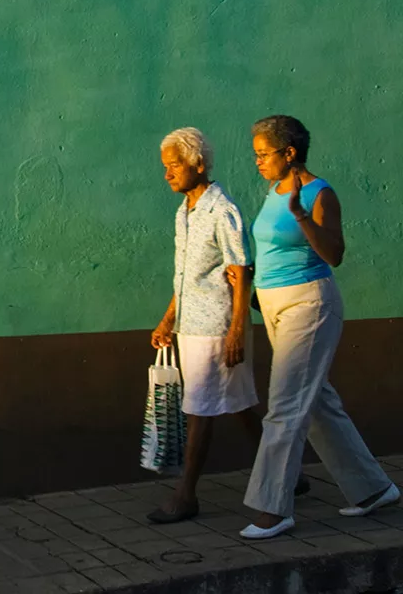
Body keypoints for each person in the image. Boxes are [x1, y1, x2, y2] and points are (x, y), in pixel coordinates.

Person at [239, 115, 400, 540]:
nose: (257, 161)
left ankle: (273, 509)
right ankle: (373, 490)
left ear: (288, 153)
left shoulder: (319, 193)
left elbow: (334, 253)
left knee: (286, 405)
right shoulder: (274, 190)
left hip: (309, 304)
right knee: (317, 402)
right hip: (274, 305)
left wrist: (302, 216)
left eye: (262, 154)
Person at [148, 127, 259, 524]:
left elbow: (241, 269)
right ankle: (286, 474)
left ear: (198, 163)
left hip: (216, 326)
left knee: (200, 408)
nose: (168, 174)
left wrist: (236, 331)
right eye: (165, 167)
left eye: (174, 165)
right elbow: (186, 276)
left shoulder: (222, 210)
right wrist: (166, 320)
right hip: (190, 325)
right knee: (241, 403)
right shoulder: (185, 212)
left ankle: (186, 495)